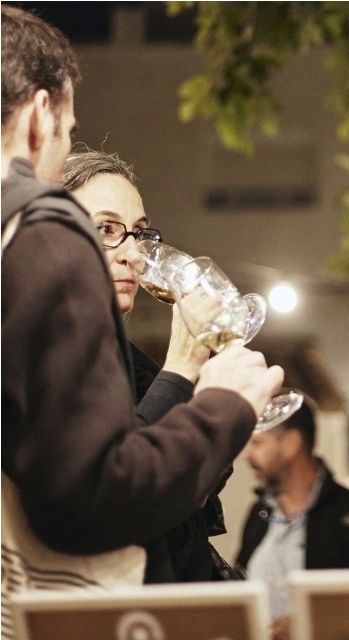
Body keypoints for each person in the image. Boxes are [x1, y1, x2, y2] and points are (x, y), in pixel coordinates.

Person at [1, 4, 282, 630]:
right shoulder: (41, 229)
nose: (129, 253)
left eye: (138, 232)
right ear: (41, 115)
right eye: (69, 132)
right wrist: (225, 405)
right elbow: (95, 498)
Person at [63, 147, 240, 584]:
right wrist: (181, 365)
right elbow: (114, 496)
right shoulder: (36, 362)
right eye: (106, 228)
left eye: (139, 233)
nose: (135, 255)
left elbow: (191, 487)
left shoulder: (127, 363)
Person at [236, 396, 349, 640]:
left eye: (257, 443)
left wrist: (311, 624)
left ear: (291, 443)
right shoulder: (259, 513)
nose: (246, 455)